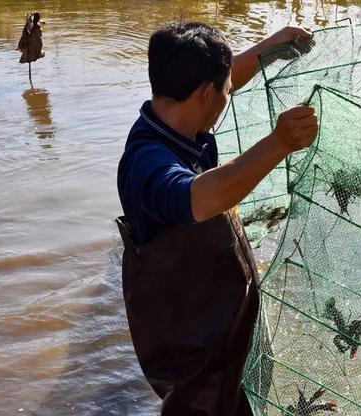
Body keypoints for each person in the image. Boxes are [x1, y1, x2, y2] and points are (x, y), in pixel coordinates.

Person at [116, 21, 318, 416]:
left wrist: (269, 48)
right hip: (189, 339)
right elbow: (202, 199)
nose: (229, 95)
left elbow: (222, 82)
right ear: (206, 94)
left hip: (217, 316)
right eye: (224, 92)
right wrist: (279, 143)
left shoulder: (174, 111)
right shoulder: (148, 161)